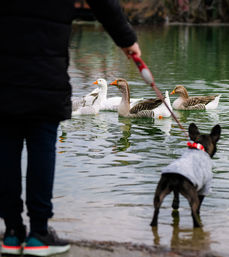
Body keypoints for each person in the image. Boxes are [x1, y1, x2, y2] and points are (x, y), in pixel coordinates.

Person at [0, 0, 141, 256]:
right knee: (42, 147)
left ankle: (11, 233)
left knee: (6, 149)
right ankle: (39, 234)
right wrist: (126, 39)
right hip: (46, 74)